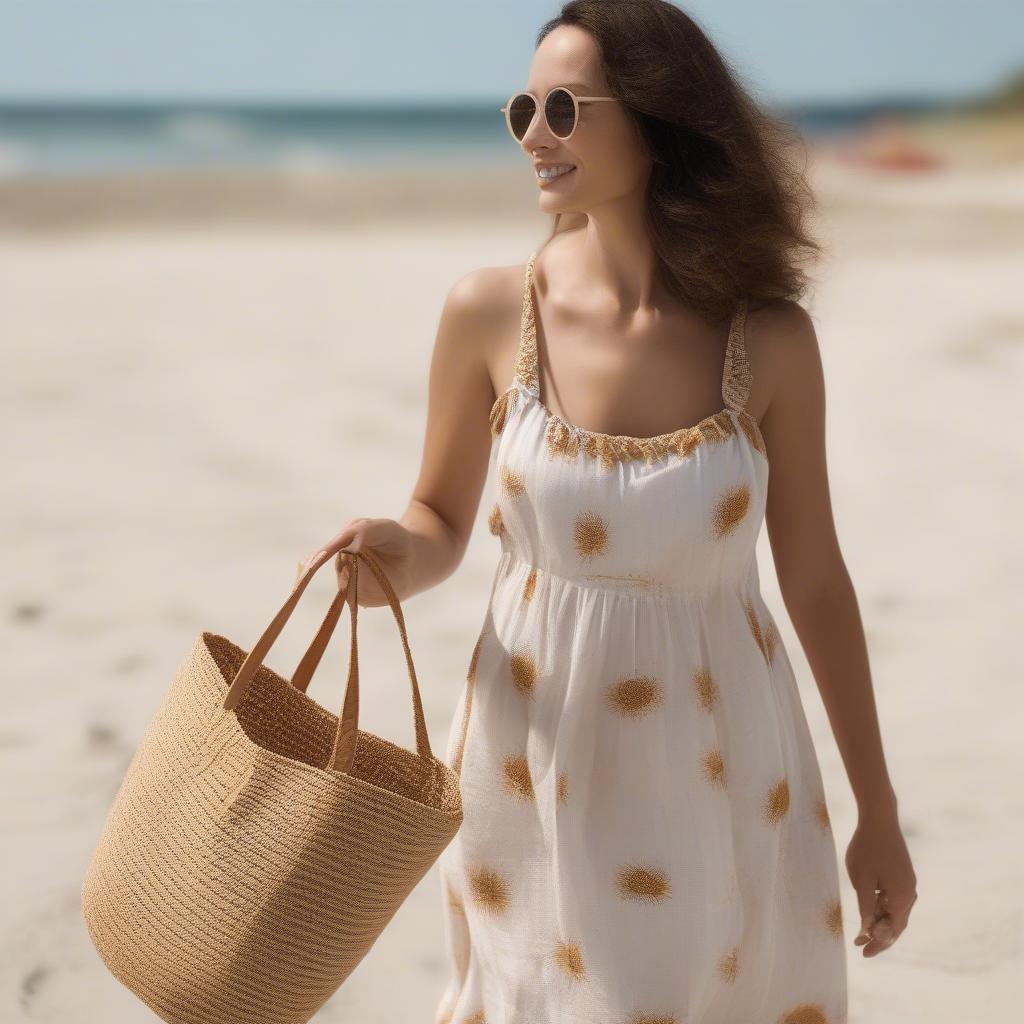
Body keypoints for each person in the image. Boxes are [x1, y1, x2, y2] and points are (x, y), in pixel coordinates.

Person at [302, 2, 916, 1021]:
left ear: (658, 119)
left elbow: (814, 580)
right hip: (528, 760)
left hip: (724, 759)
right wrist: (387, 555)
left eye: (562, 108)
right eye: (519, 110)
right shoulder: (490, 312)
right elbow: (439, 519)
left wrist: (877, 810)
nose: (533, 135)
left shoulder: (768, 341)